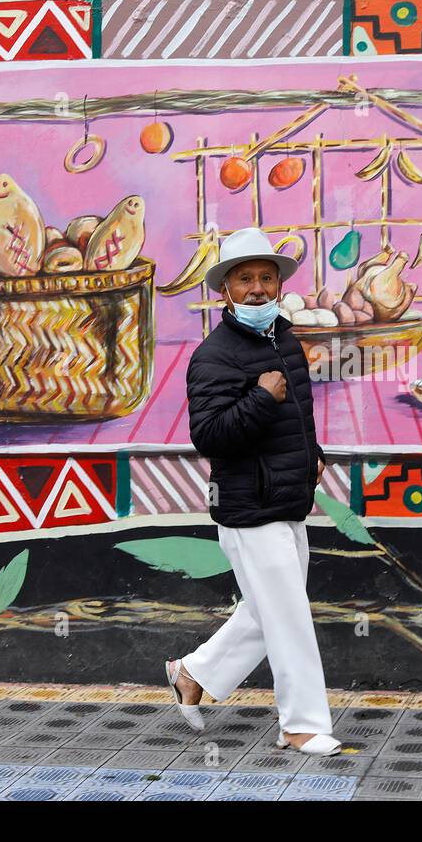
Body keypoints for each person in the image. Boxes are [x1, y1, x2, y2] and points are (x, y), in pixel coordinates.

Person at [164, 226, 342, 757]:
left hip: (287, 497)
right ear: (226, 290)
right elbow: (210, 435)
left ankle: (193, 673)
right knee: (287, 615)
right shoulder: (212, 356)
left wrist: (311, 455)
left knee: (271, 610)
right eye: (246, 280)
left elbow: (298, 417)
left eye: (267, 278)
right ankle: (302, 724)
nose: (259, 288)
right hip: (247, 507)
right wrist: (262, 399)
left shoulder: (284, 340)